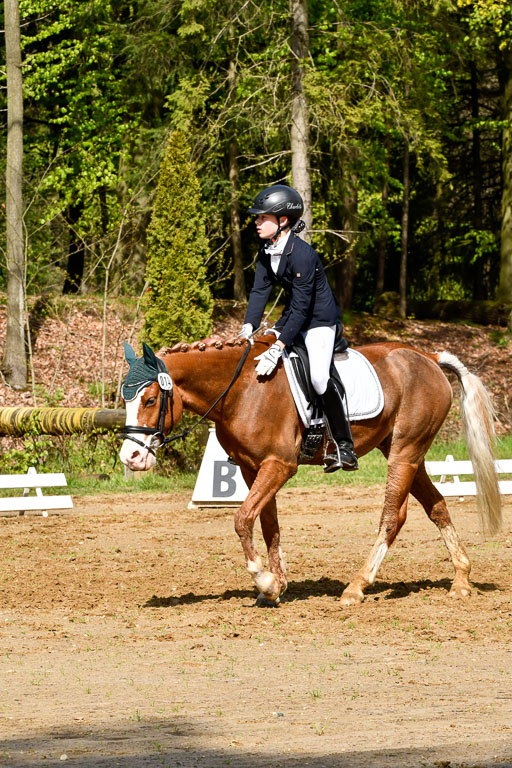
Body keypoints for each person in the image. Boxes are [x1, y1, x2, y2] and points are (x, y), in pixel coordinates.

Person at [239, 184, 358, 472]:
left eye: (263, 217)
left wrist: (279, 345)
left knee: (318, 378)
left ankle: (344, 446)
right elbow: (259, 291)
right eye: (257, 217)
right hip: (292, 317)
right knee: (254, 359)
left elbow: (304, 308)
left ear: (283, 221)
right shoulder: (266, 250)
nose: (256, 222)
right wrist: (247, 328)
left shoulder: (303, 254)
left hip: (319, 321)